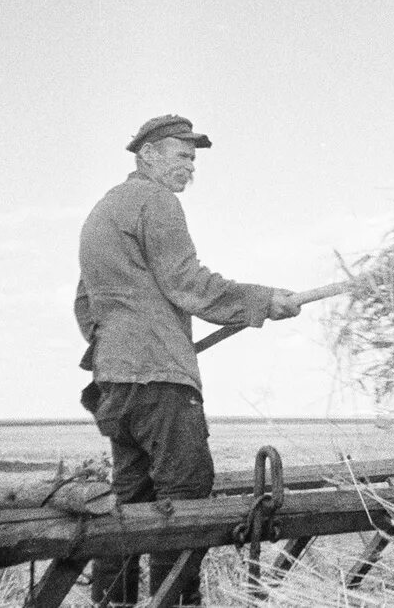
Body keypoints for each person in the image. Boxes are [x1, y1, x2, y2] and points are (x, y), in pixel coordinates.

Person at [75, 114, 301, 607]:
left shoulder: (103, 211)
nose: (189, 166)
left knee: (128, 505)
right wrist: (263, 301)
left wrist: (120, 346)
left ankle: (112, 602)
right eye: (181, 155)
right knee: (186, 497)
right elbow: (188, 283)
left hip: (116, 382)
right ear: (147, 155)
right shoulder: (156, 201)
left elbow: (86, 304)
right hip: (160, 380)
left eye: (193, 159)